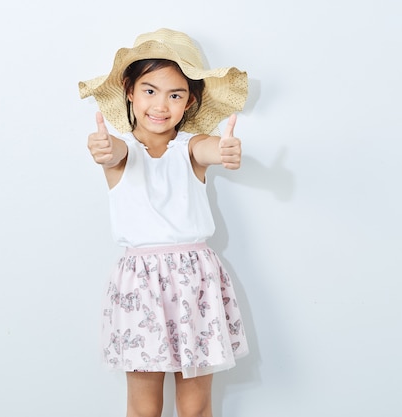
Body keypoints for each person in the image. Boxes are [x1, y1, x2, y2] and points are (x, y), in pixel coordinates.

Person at [79, 28, 249, 417]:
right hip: (139, 284)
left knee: (195, 406)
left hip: (196, 279)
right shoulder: (123, 152)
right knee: (143, 407)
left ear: (190, 101)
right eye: (150, 91)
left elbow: (208, 149)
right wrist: (102, 147)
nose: (160, 105)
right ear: (129, 91)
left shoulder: (190, 147)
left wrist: (225, 150)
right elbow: (114, 151)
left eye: (175, 95)